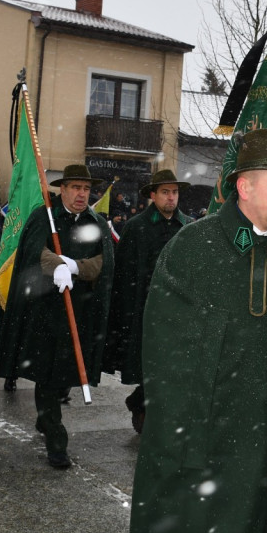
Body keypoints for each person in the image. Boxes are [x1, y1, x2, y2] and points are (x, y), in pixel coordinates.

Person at [128, 129, 267, 533]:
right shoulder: (195, 248)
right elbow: (169, 363)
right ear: (244, 186)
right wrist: (189, 446)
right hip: (224, 443)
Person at [0, 164, 114, 470]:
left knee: (67, 376)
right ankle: (56, 442)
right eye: (75, 188)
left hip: (82, 311)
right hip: (46, 311)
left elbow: (105, 262)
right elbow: (34, 250)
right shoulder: (44, 217)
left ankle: (46, 415)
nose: (81, 194)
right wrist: (55, 265)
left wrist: (75, 267)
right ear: (62, 189)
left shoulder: (96, 221)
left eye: (86, 189)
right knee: (47, 374)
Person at [103, 168, 191, 434]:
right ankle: (144, 406)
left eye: (174, 192)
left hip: (177, 308)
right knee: (148, 363)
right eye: (165, 192)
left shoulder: (187, 226)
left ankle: (141, 401)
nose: (171, 198)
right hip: (144, 307)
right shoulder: (137, 227)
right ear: (153, 195)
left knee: (170, 366)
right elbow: (125, 273)